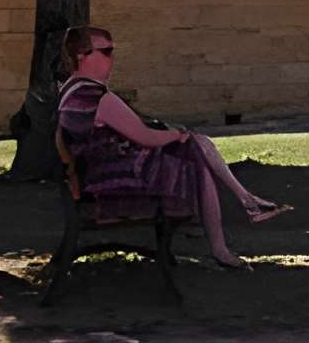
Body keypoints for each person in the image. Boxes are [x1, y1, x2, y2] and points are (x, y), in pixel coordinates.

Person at [54, 25, 289, 267]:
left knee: (196, 148)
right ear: (82, 56)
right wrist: (176, 135)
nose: (112, 58)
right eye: (105, 51)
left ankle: (242, 210)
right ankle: (234, 225)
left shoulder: (73, 88)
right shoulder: (97, 96)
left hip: (97, 173)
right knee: (195, 152)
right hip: (111, 180)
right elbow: (144, 136)